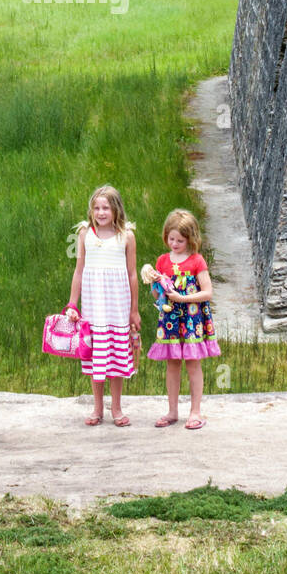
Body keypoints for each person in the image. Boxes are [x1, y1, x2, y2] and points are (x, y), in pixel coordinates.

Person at [66, 185, 140, 427]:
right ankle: (97, 407)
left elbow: (132, 275)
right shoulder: (85, 233)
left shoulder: (126, 236)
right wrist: (72, 304)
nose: (100, 212)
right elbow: (79, 271)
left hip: (117, 308)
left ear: (115, 209)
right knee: (96, 357)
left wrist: (134, 310)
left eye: (105, 207)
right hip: (93, 307)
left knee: (116, 359)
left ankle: (116, 407)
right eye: (96, 208)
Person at [142, 208, 220, 431]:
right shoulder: (162, 261)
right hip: (170, 320)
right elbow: (157, 295)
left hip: (192, 319)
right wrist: (157, 285)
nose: (174, 243)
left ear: (190, 239)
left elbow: (207, 293)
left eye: (180, 240)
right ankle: (172, 411)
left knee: (193, 364)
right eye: (171, 238)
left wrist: (183, 298)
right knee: (172, 363)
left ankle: (195, 411)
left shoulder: (196, 261)